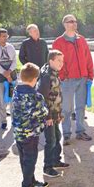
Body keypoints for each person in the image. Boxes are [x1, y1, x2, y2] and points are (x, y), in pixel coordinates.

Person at [52, 14, 94, 145]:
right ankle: (66, 134)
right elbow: (55, 61)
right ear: (65, 24)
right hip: (67, 80)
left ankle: (80, 131)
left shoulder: (81, 39)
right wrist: (63, 76)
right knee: (66, 109)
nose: (74, 24)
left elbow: (88, 58)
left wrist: (90, 75)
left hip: (82, 78)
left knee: (80, 107)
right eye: (71, 21)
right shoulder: (58, 42)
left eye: (75, 21)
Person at [12, 63, 49, 187]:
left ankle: (31, 181)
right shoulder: (36, 96)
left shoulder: (16, 91)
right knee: (30, 159)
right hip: (31, 134)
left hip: (18, 132)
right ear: (35, 79)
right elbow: (42, 112)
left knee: (24, 159)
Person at [37, 50, 70, 178]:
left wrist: (59, 114)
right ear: (51, 61)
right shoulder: (46, 76)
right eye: (59, 60)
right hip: (48, 115)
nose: (61, 63)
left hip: (55, 114)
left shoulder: (54, 73)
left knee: (57, 136)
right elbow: (43, 97)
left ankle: (56, 160)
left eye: (62, 60)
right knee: (50, 140)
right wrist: (48, 116)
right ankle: (48, 166)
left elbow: (56, 96)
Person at [0, 29, 17, 130]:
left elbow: (14, 61)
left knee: (12, 99)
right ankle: (4, 120)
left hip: (12, 77)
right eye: (3, 36)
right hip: (1, 77)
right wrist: (5, 73)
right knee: (2, 100)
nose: (5, 38)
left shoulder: (11, 47)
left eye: (6, 36)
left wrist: (9, 71)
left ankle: (14, 121)